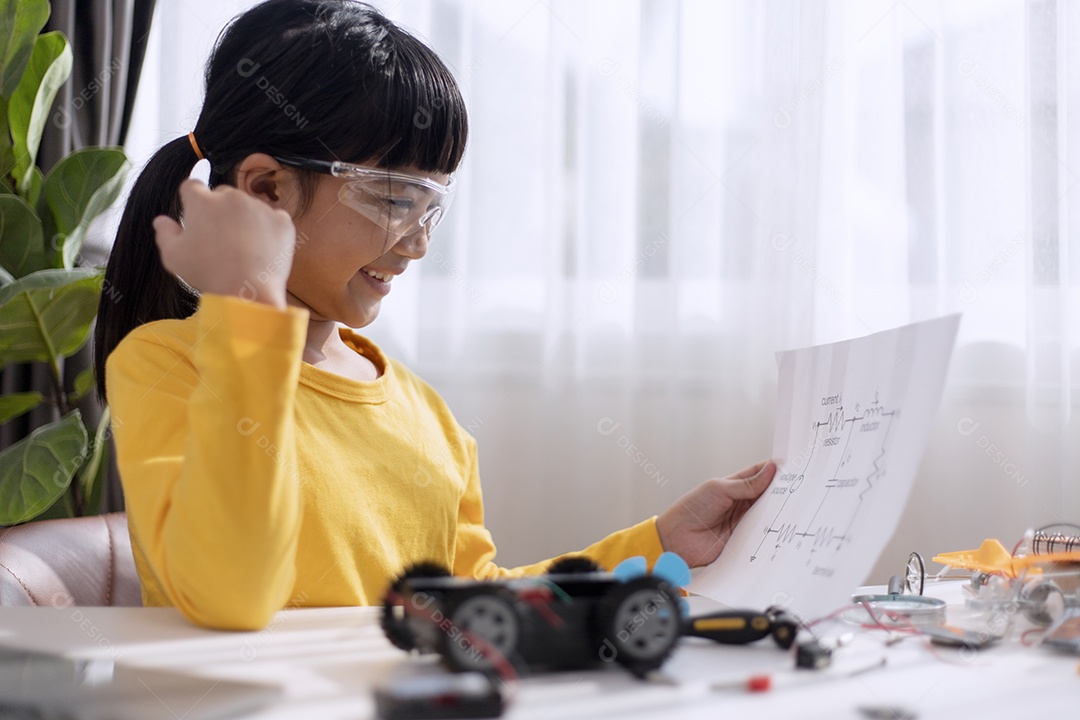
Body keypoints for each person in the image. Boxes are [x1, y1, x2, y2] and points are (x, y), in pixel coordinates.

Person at [94, 0, 776, 631]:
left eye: (432, 209)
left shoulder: (427, 417)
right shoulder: (166, 365)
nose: (419, 244)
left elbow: (474, 604)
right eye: (396, 200)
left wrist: (658, 546)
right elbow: (231, 596)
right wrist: (249, 312)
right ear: (268, 189)